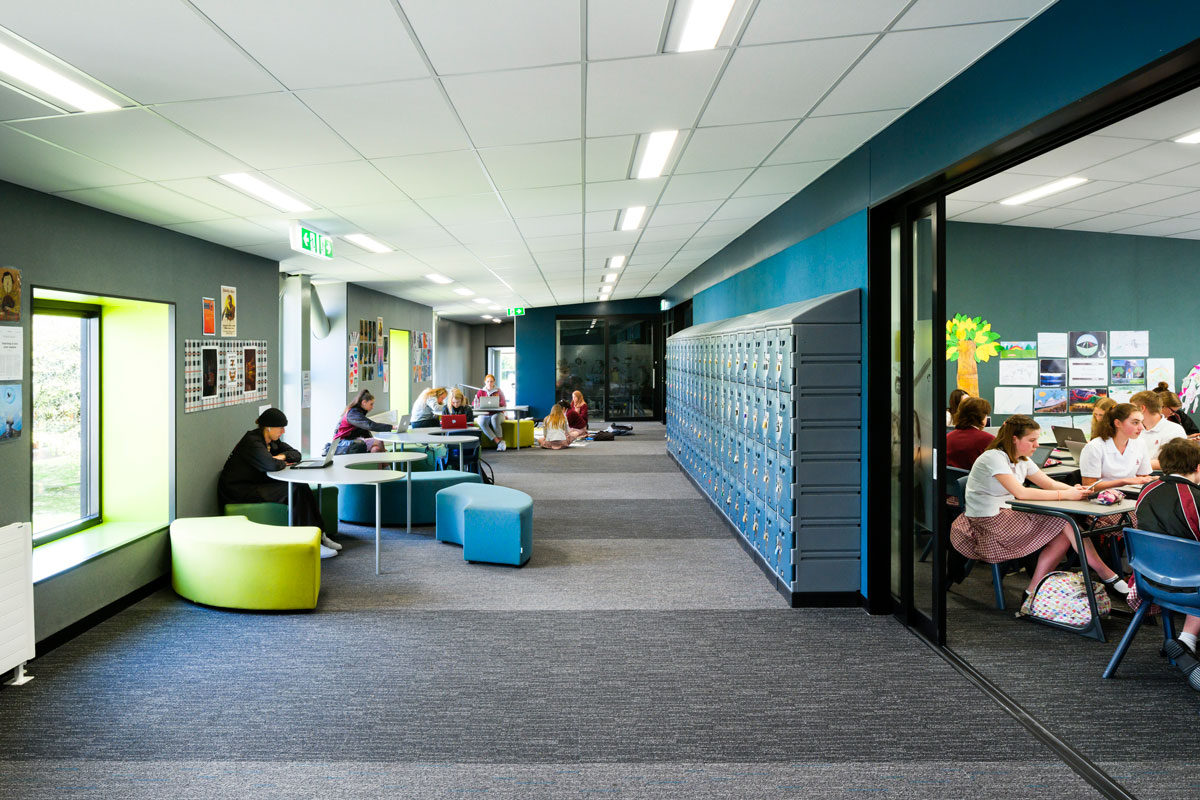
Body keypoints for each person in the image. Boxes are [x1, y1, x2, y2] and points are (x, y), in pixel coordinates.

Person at [950, 415, 1129, 607]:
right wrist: (1065, 495)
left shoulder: (1021, 459)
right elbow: (1022, 493)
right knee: (1065, 522)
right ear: (1014, 439)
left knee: (1065, 530)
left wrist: (1073, 490)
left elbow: (1048, 483)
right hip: (988, 523)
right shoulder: (994, 457)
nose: (1037, 445)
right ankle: (1106, 574)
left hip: (1007, 515)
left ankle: (1031, 591)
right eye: (1032, 440)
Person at [217, 408, 338, 558]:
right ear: (268, 427)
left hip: (257, 483)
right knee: (293, 491)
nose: (283, 431)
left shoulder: (272, 442)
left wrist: (280, 456)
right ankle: (309, 543)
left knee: (300, 485)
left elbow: (296, 455)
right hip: (239, 489)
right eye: (280, 428)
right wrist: (279, 459)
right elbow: (272, 465)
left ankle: (320, 535)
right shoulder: (252, 441)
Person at [1134, 437, 1200, 687]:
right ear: (1198, 467)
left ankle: (1186, 642)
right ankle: (1186, 641)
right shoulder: (1194, 498)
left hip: (1148, 580)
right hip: (1189, 587)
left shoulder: (1146, 490)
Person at [1079, 403, 1154, 493]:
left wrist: (1155, 479)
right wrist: (1124, 481)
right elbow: (1089, 486)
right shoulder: (1095, 447)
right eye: (1135, 423)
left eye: (1141, 422)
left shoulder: (1140, 443)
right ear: (1118, 423)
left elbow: (1143, 477)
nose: (1141, 427)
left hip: (1131, 496)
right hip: (1102, 499)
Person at [1130, 389, 1186, 470]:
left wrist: (1133, 464)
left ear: (1142, 408)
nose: (1130, 412)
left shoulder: (1174, 430)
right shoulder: (1135, 429)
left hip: (1160, 477)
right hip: (1136, 476)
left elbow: (1173, 462)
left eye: (1133, 408)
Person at [334, 389, 394, 453]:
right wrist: (392, 427)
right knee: (379, 441)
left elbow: (364, 431)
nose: (372, 407)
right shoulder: (353, 414)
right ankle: (386, 463)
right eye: (371, 404)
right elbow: (370, 425)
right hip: (342, 443)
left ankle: (379, 463)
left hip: (353, 439)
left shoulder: (358, 412)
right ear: (364, 402)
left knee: (376, 449)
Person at [946, 397, 993, 470]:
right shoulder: (988, 439)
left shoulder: (948, 437)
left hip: (950, 480)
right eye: (986, 415)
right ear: (981, 417)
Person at [474, 374, 508, 451]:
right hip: (485, 414)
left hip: (498, 413)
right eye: (488, 381)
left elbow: (504, 404)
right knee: (481, 421)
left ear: (494, 382)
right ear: (485, 382)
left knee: (494, 419)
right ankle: (499, 442)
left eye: (491, 381)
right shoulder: (480, 392)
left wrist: (496, 403)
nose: (489, 383)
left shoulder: (499, 391)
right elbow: (474, 403)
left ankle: (500, 443)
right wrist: (481, 404)